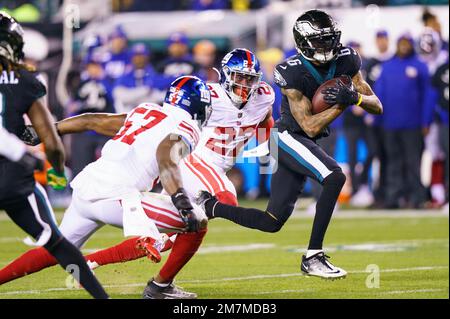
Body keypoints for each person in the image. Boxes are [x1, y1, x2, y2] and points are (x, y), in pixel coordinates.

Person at [15, 49, 274, 299]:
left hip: (87, 187)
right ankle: (152, 279)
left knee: (56, 247)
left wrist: (48, 130)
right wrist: (181, 200)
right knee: (196, 221)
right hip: (119, 198)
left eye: (249, 79)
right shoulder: (188, 127)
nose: (244, 84)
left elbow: (92, 120)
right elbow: (166, 157)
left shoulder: (145, 110)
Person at [197, 10, 383, 279]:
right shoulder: (290, 71)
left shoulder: (347, 59)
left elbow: (376, 105)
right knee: (334, 176)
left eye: (330, 39)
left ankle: (210, 207)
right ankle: (314, 256)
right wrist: (342, 103)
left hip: (305, 140)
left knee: (271, 222)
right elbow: (309, 126)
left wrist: (355, 97)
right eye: (320, 41)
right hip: (287, 137)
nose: (327, 46)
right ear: (304, 41)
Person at [0, 12, 109, 299]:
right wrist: (57, 172)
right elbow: (52, 142)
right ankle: (100, 297)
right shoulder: (23, 79)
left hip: (11, 170)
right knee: (57, 243)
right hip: (11, 177)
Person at [375, 34, 431, 209]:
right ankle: (393, 197)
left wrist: (425, 121)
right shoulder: (387, 67)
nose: (404, 46)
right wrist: (377, 119)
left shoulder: (420, 66)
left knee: (413, 162)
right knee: (393, 162)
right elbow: (379, 93)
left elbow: (428, 96)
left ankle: (416, 197)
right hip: (390, 124)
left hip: (413, 124)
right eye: (402, 43)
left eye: (407, 43)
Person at [69, 51, 115, 176]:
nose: (94, 69)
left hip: (105, 129)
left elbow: (114, 100)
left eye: (97, 66)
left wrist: (103, 80)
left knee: (109, 164)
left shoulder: (109, 81)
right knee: (81, 166)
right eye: (91, 66)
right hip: (85, 131)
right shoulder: (81, 83)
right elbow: (72, 106)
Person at [113, 43, 174, 113]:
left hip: (151, 115)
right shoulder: (125, 76)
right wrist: (145, 90)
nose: (139, 59)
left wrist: (135, 97)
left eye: (142, 56)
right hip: (128, 114)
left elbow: (163, 97)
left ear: (147, 57)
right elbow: (120, 96)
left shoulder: (155, 74)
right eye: (136, 56)